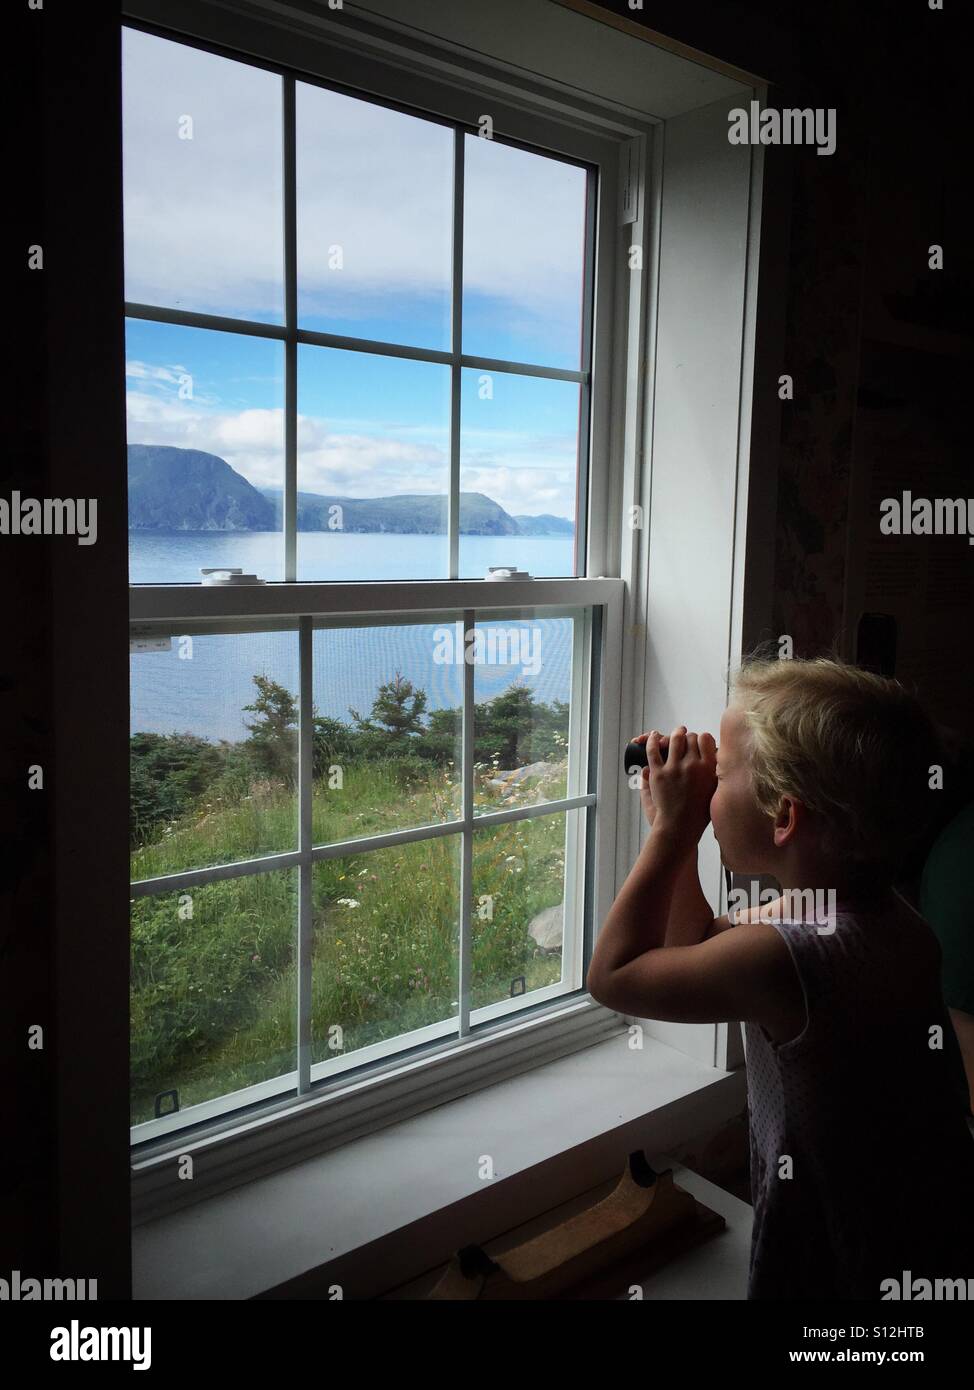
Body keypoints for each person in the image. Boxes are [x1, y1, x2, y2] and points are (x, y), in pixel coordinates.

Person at [587, 655, 974, 1299]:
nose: (707, 787)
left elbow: (615, 976)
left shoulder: (788, 957)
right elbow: (696, 946)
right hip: (923, 1227)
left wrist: (678, 832)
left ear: (784, 816)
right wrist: (672, 827)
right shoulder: (875, 913)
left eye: (724, 775)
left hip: (840, 1256)